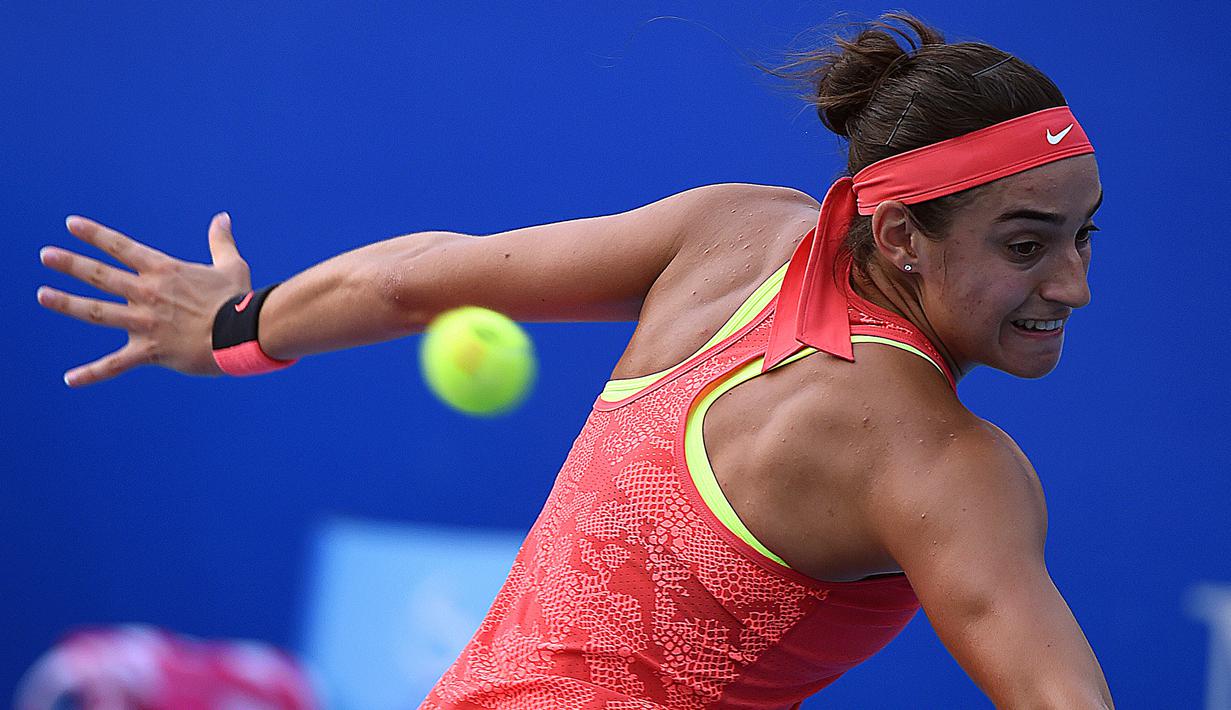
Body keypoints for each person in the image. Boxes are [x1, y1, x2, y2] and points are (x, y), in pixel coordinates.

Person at [37, 11, 1113, 709]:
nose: (1069, 283)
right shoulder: (947, 465)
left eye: (1082, 235)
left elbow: (415, 280)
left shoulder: (730, 234)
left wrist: (234, 326)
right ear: (898, 239)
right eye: (1025, 244)